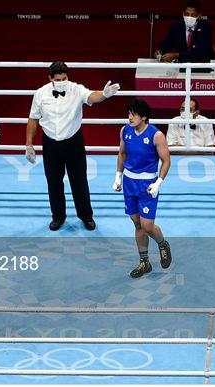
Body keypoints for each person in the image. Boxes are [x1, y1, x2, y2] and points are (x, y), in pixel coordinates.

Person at [25, 61, 120, 231]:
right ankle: (58, 216)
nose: (62, 81)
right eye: (58, 79)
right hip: (50, 143)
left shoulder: (76, 89)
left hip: (73, 142)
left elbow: (91, 96)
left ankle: (86, 216)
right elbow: (33, 119)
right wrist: (29, 144)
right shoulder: (40, 94)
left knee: (79, 181)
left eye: (64, 78)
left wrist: (104, 94)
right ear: (50, 78)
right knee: (53, 182)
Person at [112, 99, 172, 278]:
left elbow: (166, 161)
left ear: (144, 117)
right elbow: (122, 153)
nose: (129, 117)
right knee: (136, 222)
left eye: (133, 114)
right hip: (129, 183)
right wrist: (118, 176)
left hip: (147, 185)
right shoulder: (125, 130)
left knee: (147, 225)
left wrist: (158, 183)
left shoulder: (156, 135)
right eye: (128, 113)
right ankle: (144, 262)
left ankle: (162, 244)